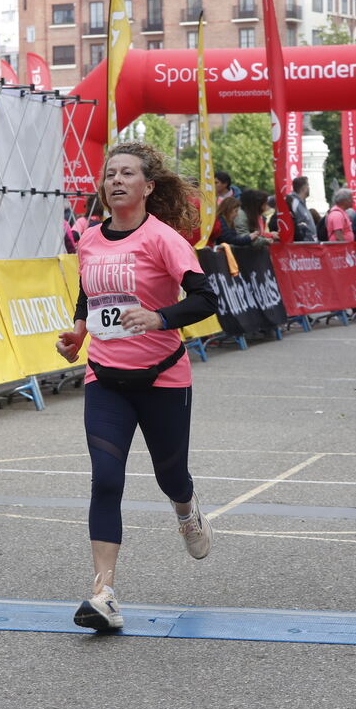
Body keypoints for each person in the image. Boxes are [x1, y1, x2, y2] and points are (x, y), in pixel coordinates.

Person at [55, 141, 219, 632]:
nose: (116, 181)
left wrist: (158, 317)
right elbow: (89, 291)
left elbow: (205, 298)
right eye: (110, 175)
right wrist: (80, 330)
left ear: (147, 187)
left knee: (172, 477)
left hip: (163, 378)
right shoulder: (88, 238)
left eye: (127, 174)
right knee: (106, 480)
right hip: (105, 379)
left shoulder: (164, 239)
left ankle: (186, 508)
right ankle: (103, 593)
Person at [285, 176, 319, 242]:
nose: (309, 188)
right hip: (303, 245)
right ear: (303, 188)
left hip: (309, 243)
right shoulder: (293, 202)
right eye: (308, 186)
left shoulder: (301, 203)